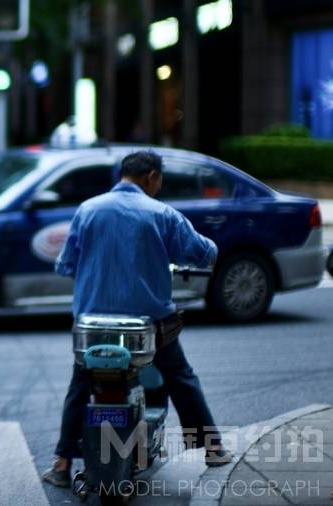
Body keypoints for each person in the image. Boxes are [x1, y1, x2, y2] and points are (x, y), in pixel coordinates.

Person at [41, 151, 232, 488]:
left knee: (81, 384)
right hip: (148, 328)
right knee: (180, 377)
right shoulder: (162, 214)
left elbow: (66, 265)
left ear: (123, 174)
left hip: (93, 329)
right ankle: (213, 448)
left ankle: (60, 463)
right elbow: (204, 253)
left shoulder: (88, 209)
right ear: (152, 177)